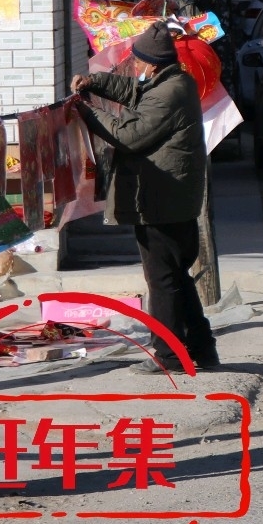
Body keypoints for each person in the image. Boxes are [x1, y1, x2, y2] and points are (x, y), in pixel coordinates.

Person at [69, 23, 219, 372]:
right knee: (176, 276)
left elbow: (130, 135)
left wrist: (87, 112)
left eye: (137, 61)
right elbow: (134, 92)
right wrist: (95, 82)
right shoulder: (173, 83)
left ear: (151, 64)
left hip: (161, 201)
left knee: (163, 281)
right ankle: (202, 348)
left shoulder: (168, 93)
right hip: (171, 198)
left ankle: (169, 355)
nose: (134, 66)